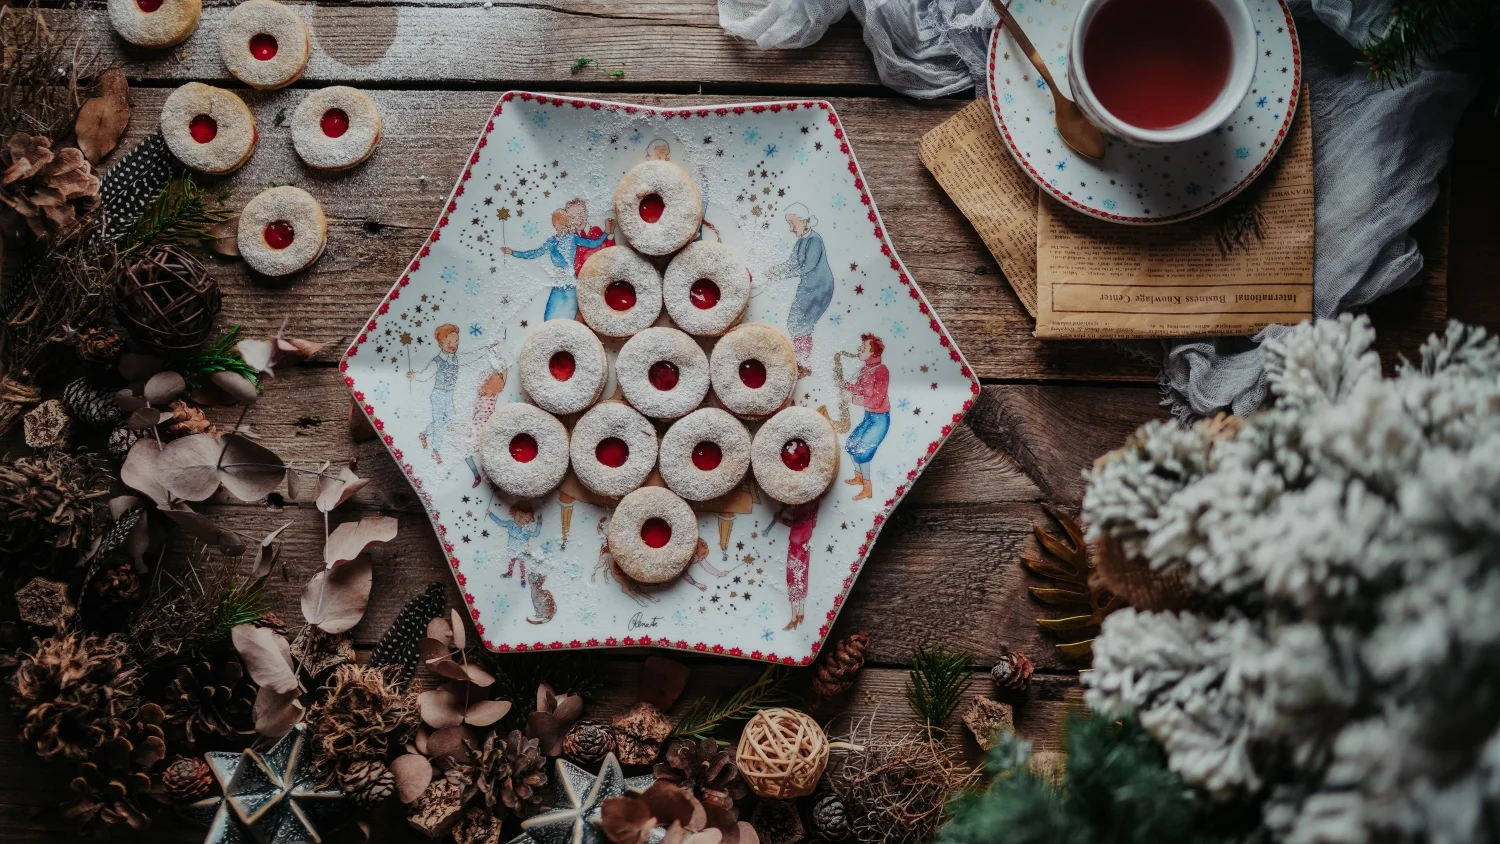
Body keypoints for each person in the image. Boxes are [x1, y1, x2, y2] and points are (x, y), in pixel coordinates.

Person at [503, 198, 612, 320]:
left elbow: (593, 244)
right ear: (555, 225)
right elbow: (534, 253)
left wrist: (606, 233)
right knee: (551, 316)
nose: (564, 227)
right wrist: (513, 252)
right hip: (559, 284)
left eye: (565, 224)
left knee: (569, 317)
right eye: (560, 224)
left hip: (571, 284)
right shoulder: (552, 242)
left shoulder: (573, 238)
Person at [407, 324, 492, 464]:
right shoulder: (437, 361)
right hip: (439, 394)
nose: (454, 345)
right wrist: (414, 376)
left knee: (450, 417)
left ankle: (425, 434)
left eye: (456, 341)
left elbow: (471, 356)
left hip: (449, 394)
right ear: (441, 344)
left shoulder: (455, 358)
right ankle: (435, 450)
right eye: (449, 343)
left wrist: (485, 349)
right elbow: (426, 375)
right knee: (440, 422)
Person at [772, 204, 835, 376]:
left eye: (793, 224)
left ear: (804, 221)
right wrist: (775, 271)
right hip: (808, 287)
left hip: (819, 288)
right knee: (795, 321)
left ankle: (803, 364)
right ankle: (800, 362)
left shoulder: (814, 240)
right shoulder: (801, 242)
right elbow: (792, 264)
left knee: (800, 323)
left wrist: (782, 275)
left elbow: (807, 267)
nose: (791, 229)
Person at [843, 333, 890, 502]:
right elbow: (860, 389)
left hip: (880, 419)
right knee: (850, 445)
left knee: (862, 453)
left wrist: (852, 399)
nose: (859, 349)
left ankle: (868, 488)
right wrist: (846, 385)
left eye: (863, 348)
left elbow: (876, 401)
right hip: (869, 417)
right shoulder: (865, 369)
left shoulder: (881, 371)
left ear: (873, 353)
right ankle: (859, 477)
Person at [644, 139, 721, 242]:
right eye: (659, 157)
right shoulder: (644, 182)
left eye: (666, 156)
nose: (664, 160)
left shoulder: (678, 182)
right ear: (649, 158)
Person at [775, 498, 820, 630]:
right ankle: (801, 612)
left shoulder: (804, 503)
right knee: (801, 578)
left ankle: (794, 617)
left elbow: (797, 522)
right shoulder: (813, 505)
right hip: (804, 546)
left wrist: (781, 519)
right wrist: (789, 510)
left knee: (793, 580)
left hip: (796, 546)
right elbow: (809, 521)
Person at [487, 500, 541, 587]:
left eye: (525, 518)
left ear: (529, 519)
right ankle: (509, 573)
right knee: (511, 561)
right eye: (519, 516)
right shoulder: (510, 524)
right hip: (512, 548)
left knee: (521, 564)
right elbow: (500, 522)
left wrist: (539, 523)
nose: (521, 520)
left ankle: (523, 579)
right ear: (514, 513)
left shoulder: (526, 530)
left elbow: (535, 534)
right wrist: (490, 514)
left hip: (524, 549)